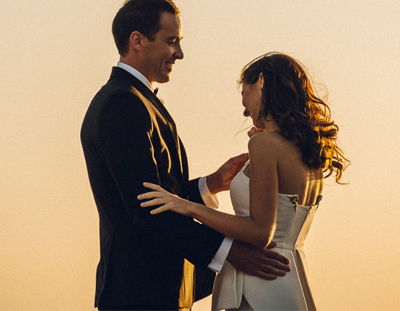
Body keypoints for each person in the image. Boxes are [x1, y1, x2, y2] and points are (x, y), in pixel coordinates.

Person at [81, 0, 293, 311]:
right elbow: (147, 208)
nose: (179, 53)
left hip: (158, 292)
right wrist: (231, 252)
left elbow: (162, 194)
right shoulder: (120, 104)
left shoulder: (141, 101)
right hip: (138, 294)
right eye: (172, 41)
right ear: (137, 41)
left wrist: (210, 184)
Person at [138, 52, 348, 311]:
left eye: (244, 95)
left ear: (261, 81)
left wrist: (188, 206)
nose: (245, 109)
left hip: (259, 283)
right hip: (291, 280)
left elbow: (259, 232)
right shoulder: (308, 150)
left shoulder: (263, 144)